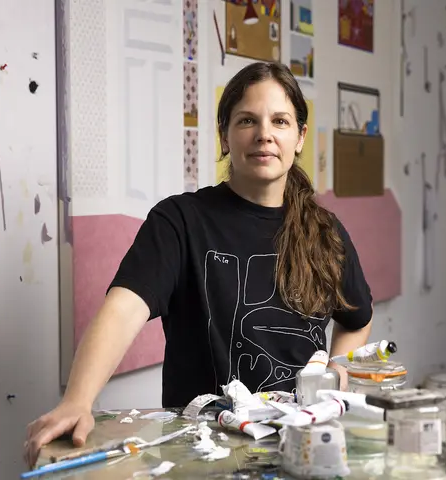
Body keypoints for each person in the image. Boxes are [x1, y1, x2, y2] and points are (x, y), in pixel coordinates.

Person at [23, 62, 373, 468]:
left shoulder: (325, 231)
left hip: (301, 446)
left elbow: (356, 318)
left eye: (280, 121)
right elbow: (123, 308)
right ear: (225, 135)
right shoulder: (180, 221)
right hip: (201, 451)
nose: (264, 134)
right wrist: (77, 400)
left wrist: (335, 370)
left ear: (299, 137)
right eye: (247, 120)